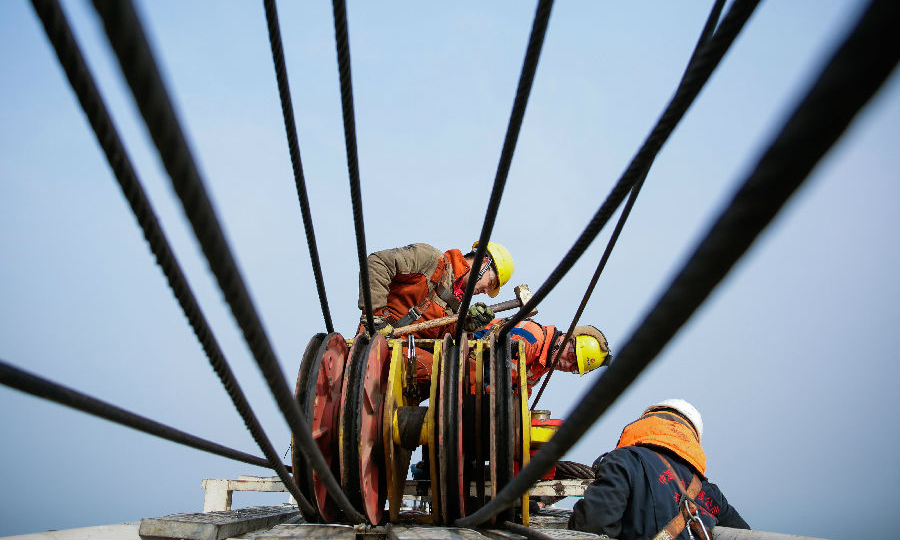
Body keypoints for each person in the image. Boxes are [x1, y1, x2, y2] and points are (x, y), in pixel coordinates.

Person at [568, 399, 750, 539]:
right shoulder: (710, 493)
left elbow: (591, 527)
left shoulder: (625, 461)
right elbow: (746, 534)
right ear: (691, 439)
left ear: (646, 423)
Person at [358, 241, 514, 339]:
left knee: (468, 374)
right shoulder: (431, 261)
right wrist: (375, 319)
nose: (487, 290)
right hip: (379, 345)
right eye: (492, 283)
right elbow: (378, 263)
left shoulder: (456, 305)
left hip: (408, 358)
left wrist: (467, 327)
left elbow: (444, 341)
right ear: (484, 262)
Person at [473, 318, 610, 393]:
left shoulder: (541, 366)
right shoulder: (533, 341)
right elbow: (488, 369)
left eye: (573, 367)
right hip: (465, 358)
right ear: (566, 338)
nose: (566, 365)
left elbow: (518, 393)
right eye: (571, 357)